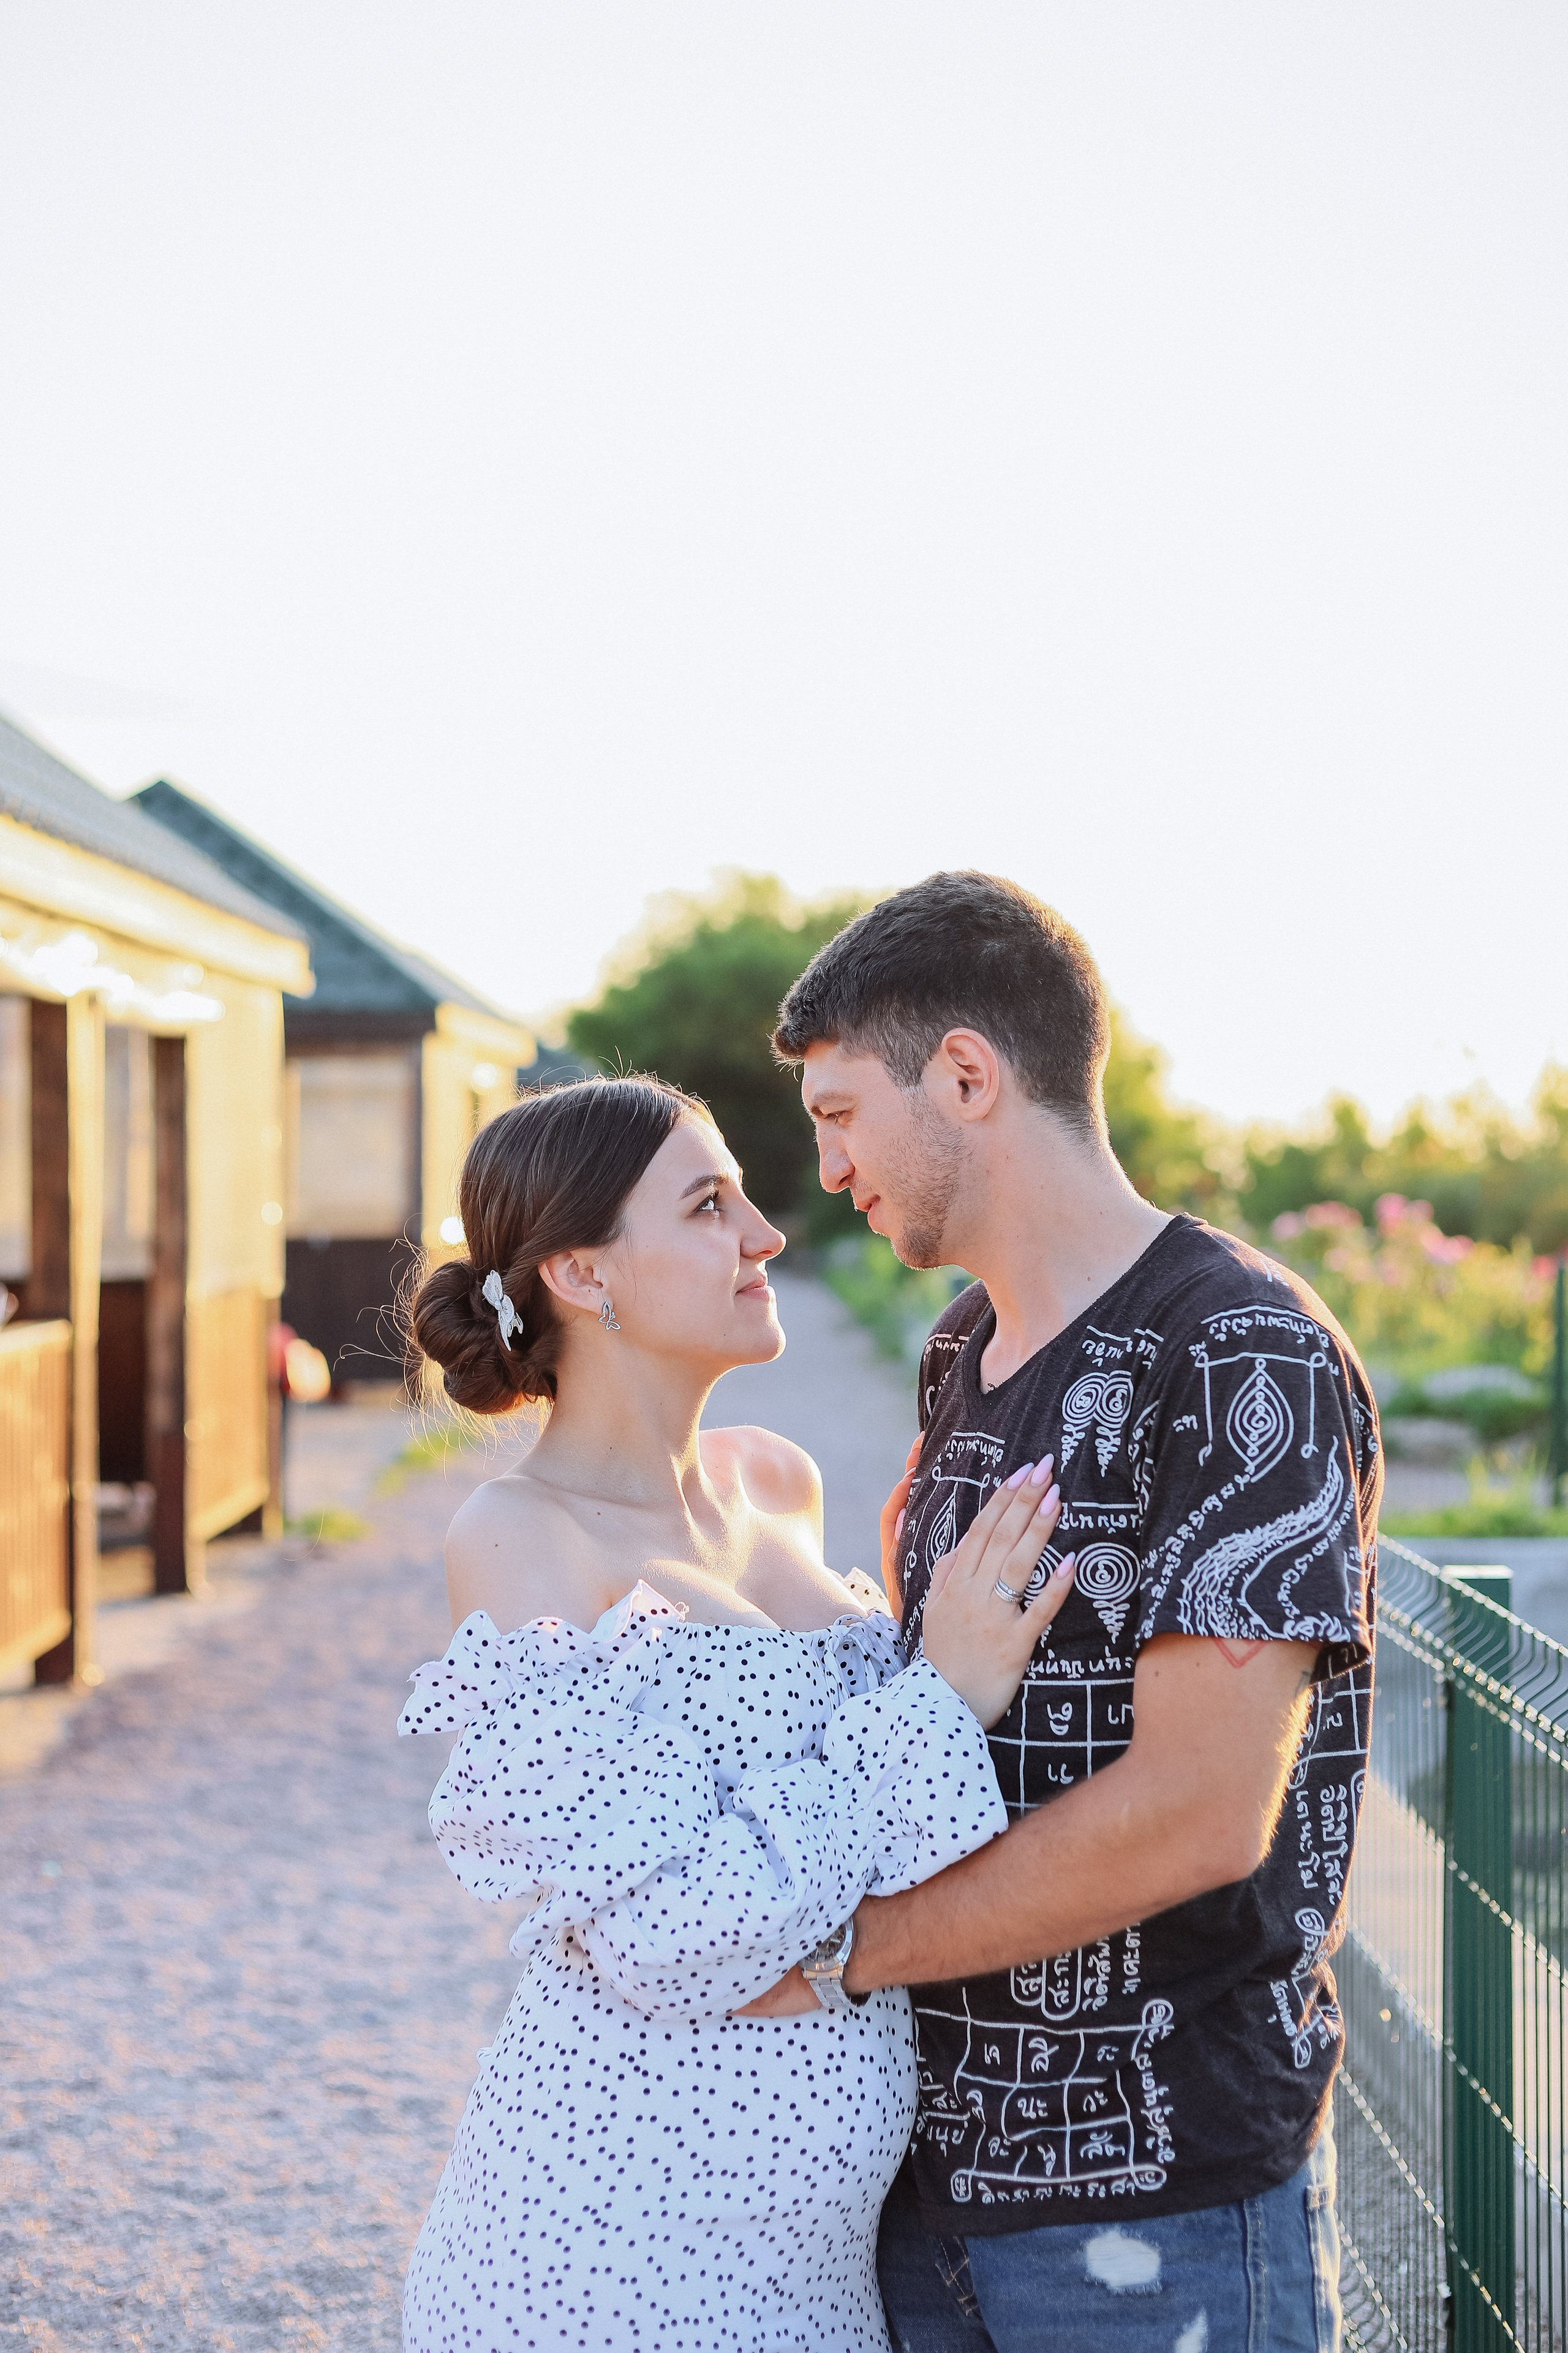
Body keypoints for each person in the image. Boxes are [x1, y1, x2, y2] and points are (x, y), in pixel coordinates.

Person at [756, 871, 1380, 2353]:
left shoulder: (1238, 1354)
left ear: (965, 1074)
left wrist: (842, 1949)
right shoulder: (963, 1346)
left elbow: (1194, 1816)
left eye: (840, 1112)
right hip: (928, 2181)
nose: (827, 1165)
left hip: (1159, 2203)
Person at [398, 1073, 1082, 2353]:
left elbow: (860, 1840)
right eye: (710, 1206)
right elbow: (667, 1928)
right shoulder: (517, 1541)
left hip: (822, 2265)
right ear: (584, 1277)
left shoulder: (782, 1481)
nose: (767, 1235)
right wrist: (934, 1696)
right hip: (603, 2253)